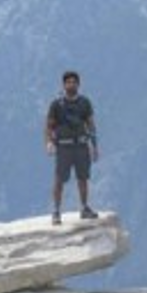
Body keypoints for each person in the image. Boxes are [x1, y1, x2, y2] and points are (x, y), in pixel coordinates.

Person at [45, 70, 100, 225]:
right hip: (63, 147)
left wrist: (94, 146)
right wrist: (49, 142)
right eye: (68, 82)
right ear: (64, 85)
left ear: (78, 84)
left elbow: (91, 124)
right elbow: (49, 125)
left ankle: (84, 208)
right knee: (59, 180)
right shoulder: (56, 104)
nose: (71, 84)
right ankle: (56, 211)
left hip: (81, 145)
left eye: (74, 82)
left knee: (83, 178)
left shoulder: (84, 103)